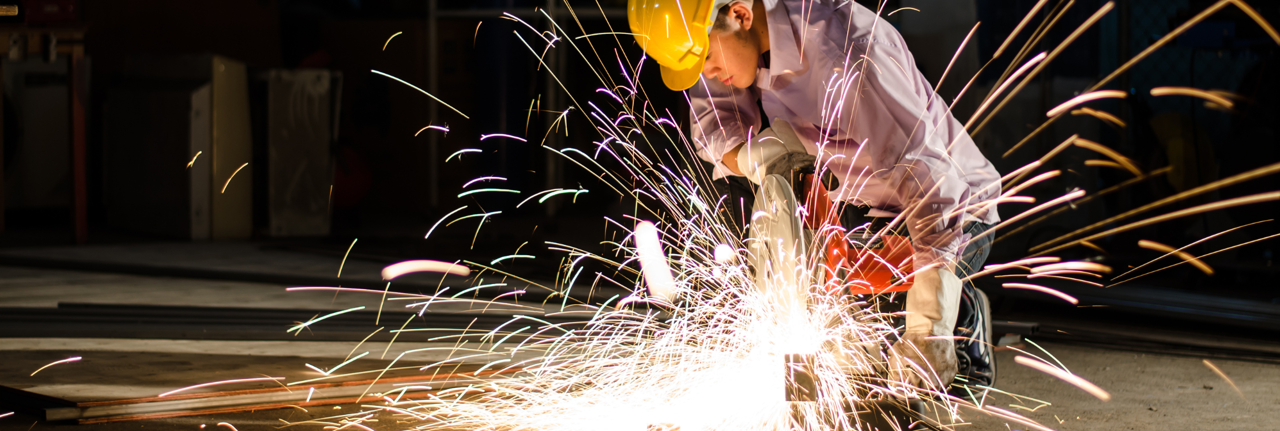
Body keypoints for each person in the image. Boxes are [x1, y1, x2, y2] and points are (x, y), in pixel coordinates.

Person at [628, 0, 1002, 394]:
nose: (708, 73)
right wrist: (746, 157)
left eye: (705, 57)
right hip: (860, 204)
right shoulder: (726, 32)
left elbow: (932, 187)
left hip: (950, 211)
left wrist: (930, 329)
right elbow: (715, 118)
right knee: (838, 332)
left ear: (740, 15)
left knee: (885, 342)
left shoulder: (851, 55)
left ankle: (962, 320)